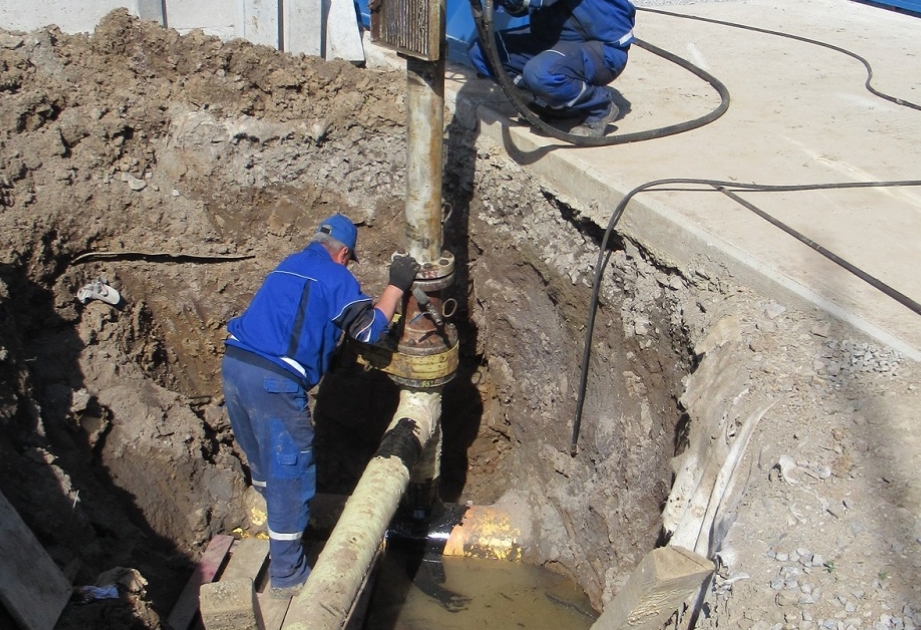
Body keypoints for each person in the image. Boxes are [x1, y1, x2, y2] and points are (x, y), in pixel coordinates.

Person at [221, 214, 420, 598]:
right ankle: (288, 575)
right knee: (290, 475)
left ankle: (274, 528)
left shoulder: (286, 265)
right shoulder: (335, 277)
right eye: (348, 259)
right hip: (273, 382)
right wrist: (396, 286)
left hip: (234, 367)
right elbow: (367, 329)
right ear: (343, 253)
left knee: (264, 465)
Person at [469, 0, 636, 138]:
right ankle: (545, 103)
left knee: (541, 73)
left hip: (602, 47)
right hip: (553, 39)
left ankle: (600, 106)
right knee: (483, 51)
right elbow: (519, 9)